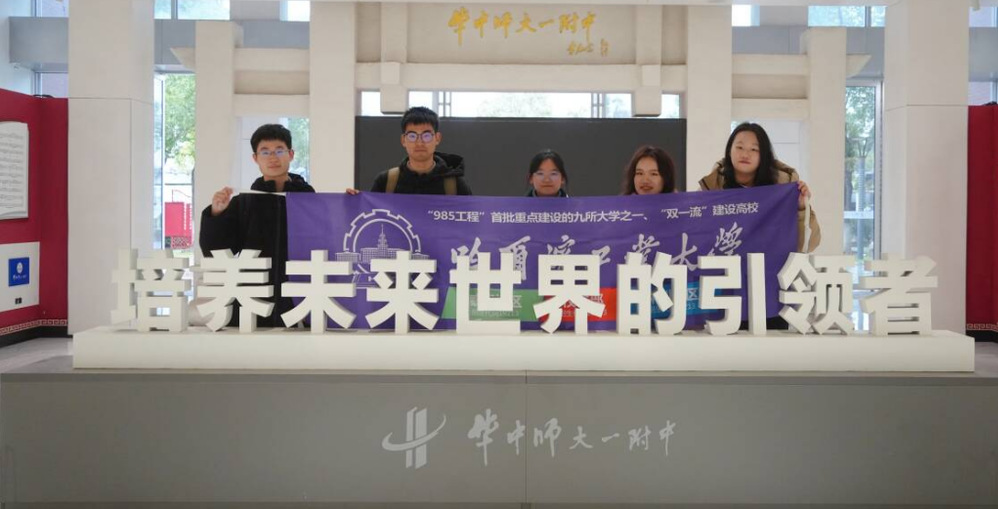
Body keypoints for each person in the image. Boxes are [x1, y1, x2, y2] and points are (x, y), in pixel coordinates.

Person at [199, 123, 315, 327]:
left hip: (301, 296)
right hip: (253, 298)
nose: (273, 157)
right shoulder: (244, 202)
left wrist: (352, 202)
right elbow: (216, 251)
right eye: (265, 152)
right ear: (255, 158)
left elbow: (333, 235)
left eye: (279, 150)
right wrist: (216, 214)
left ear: (291, 154)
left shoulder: (310, 200)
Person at [699, 122, 821, 252]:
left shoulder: (783, 188)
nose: (745, 154)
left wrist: (801, 208)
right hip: (726, 263)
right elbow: (697, 233)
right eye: (739, 147)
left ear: (764, 155)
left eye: (754, 149)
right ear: (729, 151)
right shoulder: (712, 187)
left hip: (769, 264)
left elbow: (809, 244)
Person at [348, 107, 472, 195]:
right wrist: (355, 203)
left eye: (426, 136)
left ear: (437, 138)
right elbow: (371, 218)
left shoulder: (454, 185)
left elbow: (471, 220)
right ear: (403, 140)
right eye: (412, 136)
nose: (419, 142)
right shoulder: (386, 182)